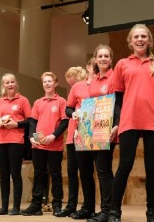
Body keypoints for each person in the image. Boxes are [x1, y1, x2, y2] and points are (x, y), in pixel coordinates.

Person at [108, 24, 154, 222]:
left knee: (152, 168)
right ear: (130, 41)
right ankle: (114, 211)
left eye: (144, 36)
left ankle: (152, 212)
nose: (140, 39)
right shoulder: (122, 64)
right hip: (129, 120)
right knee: (125, 165)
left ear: (149, 40)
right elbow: (117, 99)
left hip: (153, 120)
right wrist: (117, 123)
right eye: (136, 36)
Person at [73, 44, 118, 222]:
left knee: (104, 171)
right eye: (100, 56)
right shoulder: (94, 82)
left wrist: (116, 125)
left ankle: (108, 210)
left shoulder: (115, 78)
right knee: (93, 171)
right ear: (96, 59)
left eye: (106, 56)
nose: (103, 59)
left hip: (108, 131)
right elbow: (89, 108)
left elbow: (119, 105)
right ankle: (95, 209)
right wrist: (79, 126)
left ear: (111, 59)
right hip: (91, 131)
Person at [21, 72, 69, 216]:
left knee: (55, 175)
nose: (47, 84)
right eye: (45, 82)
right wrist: (31, 137)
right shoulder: (37, 102)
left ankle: (57, 205)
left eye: (50, 81)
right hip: (38, 145)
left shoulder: (61, 101)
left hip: (55, 145)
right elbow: (33, 122)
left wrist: (53, 136)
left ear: (55, 84)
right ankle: (36, 205)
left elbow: (64, 122)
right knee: (38, 174)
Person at [0, 73, 32, 215]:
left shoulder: (23, 100)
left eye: (12, 82)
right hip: (0, 140)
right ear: (3, 85)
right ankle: (4, 207)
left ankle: (16, 207)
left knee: (15, 173)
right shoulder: (0, 101)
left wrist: (16, 124)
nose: (10, 84)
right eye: (7, 82)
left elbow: (30, 121)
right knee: (3, 174)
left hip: (16, 140)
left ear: (16, 83)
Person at [64, 58, 97, 220]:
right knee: (75, 171)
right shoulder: (77, 88)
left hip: (96, 132)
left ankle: (95, 207)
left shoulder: (97, 84)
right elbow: (68, 109)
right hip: (76, 133)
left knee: (95, 172)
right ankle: (75, 205)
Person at [54, 66, 88, 217]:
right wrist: (74, 113)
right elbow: (68, 109)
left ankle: (87, 206)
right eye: (70, 85)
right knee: (71, 172)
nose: (72, 87)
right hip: (71, 135)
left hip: (85, 134)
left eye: (73, 83)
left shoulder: (88, 88)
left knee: (85, 173)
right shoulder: (74, 91)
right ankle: (71, 205)